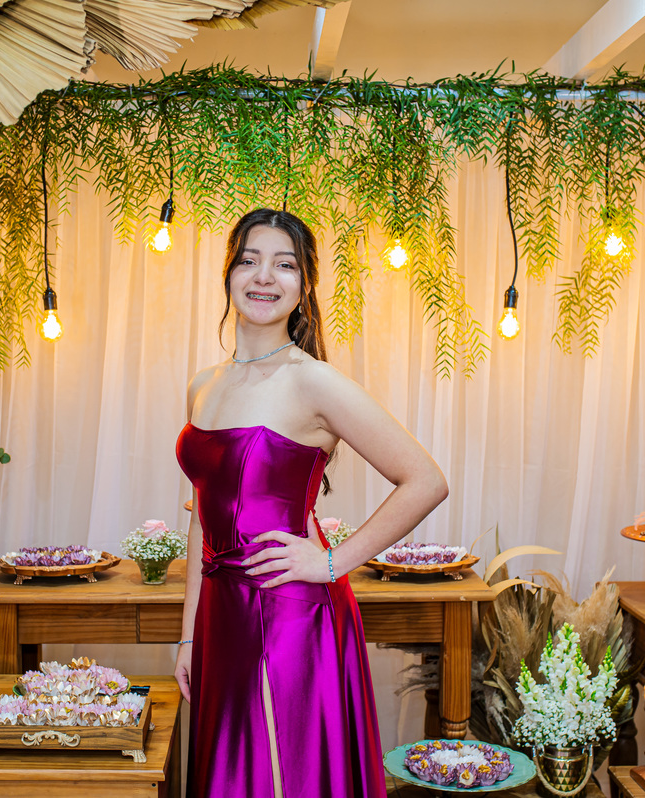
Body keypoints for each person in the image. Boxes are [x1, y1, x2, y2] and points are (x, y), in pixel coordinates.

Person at [174, 208, 449, 798]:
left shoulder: (313, 380)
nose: (263, 276)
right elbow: (200, 511)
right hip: (219, 615)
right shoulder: (203, 383)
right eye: (249, 260)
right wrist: (189, 634)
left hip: (289, 614)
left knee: (287, 776)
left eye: (284, 265)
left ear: (303, 287)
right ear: (229, 274)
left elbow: (425, 480)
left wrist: (329, 562)